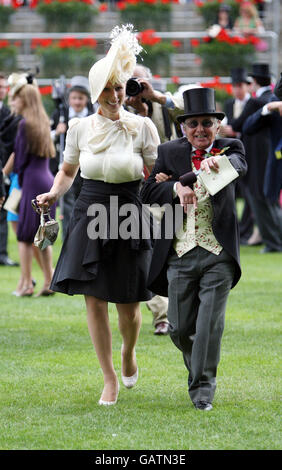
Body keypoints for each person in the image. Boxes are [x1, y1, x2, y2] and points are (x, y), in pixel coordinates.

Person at [36, 25, 160, 407]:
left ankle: (127, 353)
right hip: (89, 210)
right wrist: (54, 193)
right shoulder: (78, 128)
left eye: (119, 87)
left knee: (129, 305)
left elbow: (154, 176)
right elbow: (68, 171)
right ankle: (108, 378)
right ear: (94, 93)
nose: (114, 95)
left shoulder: (143, 127)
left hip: (129, 212)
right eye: (106, 89)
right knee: (94, 298)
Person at [141, 87, 247, 411]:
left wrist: (187, 175)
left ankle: (202, 390)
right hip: (179, 253)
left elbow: (237, 165)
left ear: (217, 125)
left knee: (208, 327)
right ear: (184, 127)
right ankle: (198, 367)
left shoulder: (231, 148)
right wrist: (174, 186)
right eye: (193, 124)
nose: (200, 129)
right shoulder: (168, 151)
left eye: (206, 123)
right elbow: (148, 192)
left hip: (218, 254)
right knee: (179, 329)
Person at [126, 63, 184, 335]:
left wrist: (156, 98)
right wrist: (137, 114)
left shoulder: (165, 103)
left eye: (141, 82)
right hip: (137, 191)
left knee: (175, 249)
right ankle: (162, 314)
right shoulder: (118, 109)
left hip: (171, 186)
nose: (137, 87)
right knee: (148, 251)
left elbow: (190, 114)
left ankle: (180, 311)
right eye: (131, 82)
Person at [6, 73, 56, 296]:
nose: (12, 102)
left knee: (25, 236)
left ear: (24, 100)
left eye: (15, 98)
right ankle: (48, 281)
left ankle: (26, 284)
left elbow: (21, 159)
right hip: (46, 179)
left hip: (31, 182)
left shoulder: (25, 125)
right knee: (42, 235)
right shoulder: (42, 122)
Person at [230, 63, 282, 253]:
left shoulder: (259, 102)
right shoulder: (270, 100)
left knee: (262, 200)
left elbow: (244, 126)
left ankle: (273, 242)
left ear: (253, 83)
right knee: (269, 200)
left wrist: (266, 108)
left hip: (262, 158)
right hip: (269, 157)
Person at [50, 75, 94, 239]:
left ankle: (84, 234)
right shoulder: (59, 115)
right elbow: (46, 137)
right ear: (69, 98)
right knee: (67, 203)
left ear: (86, 99)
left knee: (85, 201)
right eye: (74, 98)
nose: (77, 102)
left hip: (86, 167)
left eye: (80, 98)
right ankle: (68, 236)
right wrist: (57, 132)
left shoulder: (93, 115)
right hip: (66, 166)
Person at [221, 67, 259, 246]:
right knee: (232, 194)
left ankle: (247, 230)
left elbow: (242, 126)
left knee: (250, 195)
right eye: (235, 86)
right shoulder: (229, 104)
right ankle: (235, 231)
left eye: (240, 85)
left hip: (251, 154)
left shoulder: (254, 104)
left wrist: (234, 130)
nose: (237, 89)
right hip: (231, 153)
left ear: (247, 86)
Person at [0, 72, 19, 267]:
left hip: (6, 170)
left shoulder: (10, 114)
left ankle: (2, 253)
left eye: (3, 87)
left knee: (6, 212)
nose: (2, 90)